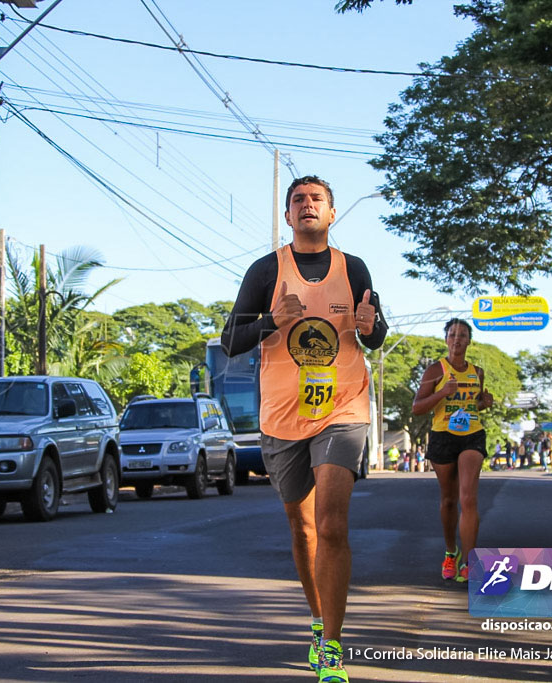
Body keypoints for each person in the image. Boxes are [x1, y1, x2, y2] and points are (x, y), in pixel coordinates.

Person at [220, 175, 387, 683]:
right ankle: (318, 621)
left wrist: (369, 326)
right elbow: (230, 341)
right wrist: (270, 319)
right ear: (288, 216)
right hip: (283, 416)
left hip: (344, 408)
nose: (307, 205)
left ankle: (332, 647)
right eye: (298, 200)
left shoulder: (352, 267)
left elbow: (377, 332)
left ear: (331, 214)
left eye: (317, 199)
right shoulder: (266, 270)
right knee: (304, 527)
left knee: (333, 524)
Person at [412, 318, 494, 583]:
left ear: (469, 340)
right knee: (449, 500)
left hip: (472, 436)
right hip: (442, 436)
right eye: (452, 334)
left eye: (462, 335)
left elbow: (473, 405)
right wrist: (442, 393)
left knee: (468, 498)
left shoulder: (477, 372)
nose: (457, 339)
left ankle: (471, 562)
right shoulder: (436, 370)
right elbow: (417, 407)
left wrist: (484, 403)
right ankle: (451, 552)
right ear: (446, 340)